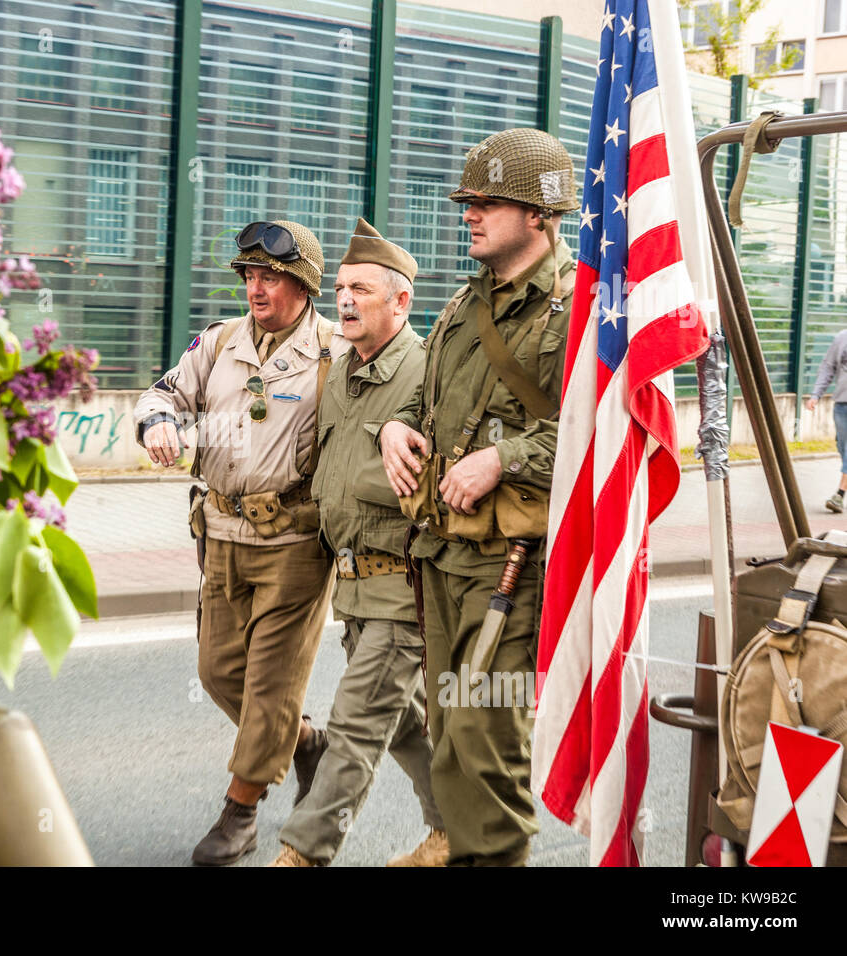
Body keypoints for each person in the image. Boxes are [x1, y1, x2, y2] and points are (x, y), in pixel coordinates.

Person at [377, 128, 578, 866]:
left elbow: (602, 442)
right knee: (450, 741)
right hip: (443, 553)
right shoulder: (465, 305)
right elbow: (431, 408)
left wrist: (507, 458)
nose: (471, 212)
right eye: (469, 200)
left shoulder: (574, 306)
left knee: (485, 741)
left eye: (489, 201)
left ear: (538, 213)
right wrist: (396, 431)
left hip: (511, 567)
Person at [134, 220, 345, 866]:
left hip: (295, 544)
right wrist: (158, 424)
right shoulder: (222, 341)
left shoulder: (336, 351)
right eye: (250, 276)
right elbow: (163, 392)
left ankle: (242, 810)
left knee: (272, 687)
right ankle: (306, 743)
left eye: (271, 277)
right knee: (218, 671)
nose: (256, 287)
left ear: (303, 284)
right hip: (221, 534)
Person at [268, 219, 446, 867]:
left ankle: (303, 854)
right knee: (403, 721)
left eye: (362, 289)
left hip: (405, 589)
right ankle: (458, 829)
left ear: (400, 302)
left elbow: (439, 478)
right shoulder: (341, 372)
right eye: (340, 288)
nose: (344, 299)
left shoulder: (428, 374)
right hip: (353, 588)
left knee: (354, 728)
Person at [805, 327, 847, 513]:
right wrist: (816, 394)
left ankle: (839, 494)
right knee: (842, 446)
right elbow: (828, 367)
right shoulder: (841, 337)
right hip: (842, 404)